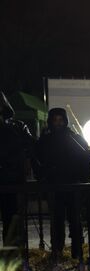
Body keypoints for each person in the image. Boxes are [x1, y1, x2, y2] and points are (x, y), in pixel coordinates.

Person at [35, 108, 90, 259]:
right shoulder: (45, 141)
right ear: (50, 121)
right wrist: (43, 177)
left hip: (73, 186)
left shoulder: (74, 138)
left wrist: (83, 178)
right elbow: (37, 160)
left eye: (60, 120)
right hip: (54, 186)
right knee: (57, 220)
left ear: (65, 121)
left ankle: (77, 251)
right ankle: (57, 250)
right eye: (55, 120)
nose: (58, 123)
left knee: (75, 219)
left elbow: (86, 158)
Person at [0, 92, 34, 246]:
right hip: (12, 178)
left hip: (12, 179)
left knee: (13, 220)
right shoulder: (17, 126)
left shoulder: (17, 126)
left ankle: (13, 258)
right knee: (13, 220)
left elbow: (30, 145)